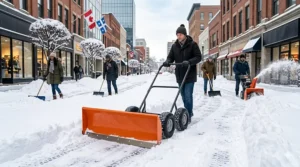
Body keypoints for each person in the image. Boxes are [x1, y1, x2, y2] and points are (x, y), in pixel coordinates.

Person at [163, 24, 202, 123]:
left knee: (188, 95)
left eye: (180, 34)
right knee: (183, 96)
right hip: (180, 75)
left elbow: (198, 57)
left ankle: (188, 115)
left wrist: (189, 62)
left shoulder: (192, 44)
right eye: (177, 35)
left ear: (184, 34)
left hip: (189, 74)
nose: (178, 36)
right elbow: (170, 57)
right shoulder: (174, 46)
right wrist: (168, 61)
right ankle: (187, 112)